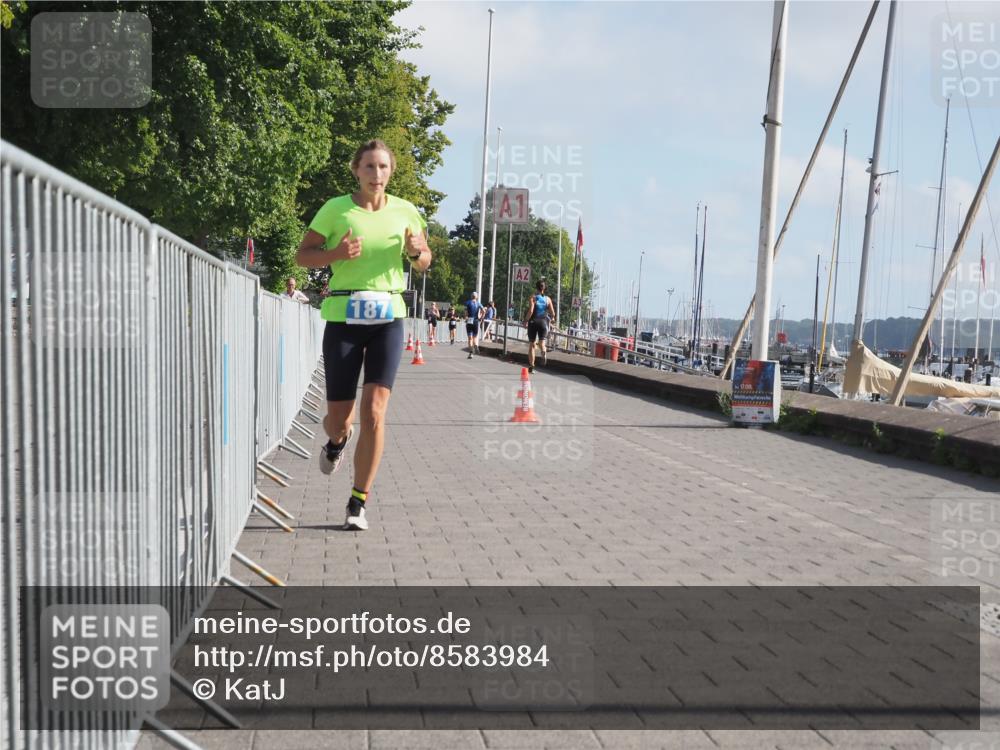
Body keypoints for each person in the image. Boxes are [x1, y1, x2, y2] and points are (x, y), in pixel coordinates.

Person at [295, 139, 431, 531]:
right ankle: (337, 442)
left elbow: (424, 259)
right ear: (356, 170)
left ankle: (358, 502)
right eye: (369, 167)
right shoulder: (337, 209)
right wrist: (336, 254)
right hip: (343, 316)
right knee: (340, 419)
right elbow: (303, 255)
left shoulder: (406, 211)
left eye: (384, 167)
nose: (377, 174)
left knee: (374, 411)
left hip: (388, 317)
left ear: (392, 172)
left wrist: (415, 251)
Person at [523, 279, 555, 373]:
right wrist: (551, 319)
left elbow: (531, 311)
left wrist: (525, 320)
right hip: (543, 322)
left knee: (532, 345)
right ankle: (543, 352)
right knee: (542, 343)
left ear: (536, 287)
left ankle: (532, 366)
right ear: (544, 288)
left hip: (533, 322)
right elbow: (553, 313)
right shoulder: (547, 299)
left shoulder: (533, 297)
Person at [465, 291, 484, 359]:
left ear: (471, 296)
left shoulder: (468, 302)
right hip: (476, 321)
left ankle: (471, 353)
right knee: (474, 337)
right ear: (477, 297)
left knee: (470, 338)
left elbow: (466, 312)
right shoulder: (478, 303)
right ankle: (476, 345)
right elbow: (483, 311)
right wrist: (481, 317)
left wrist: (466, 318)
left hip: (470, 320)